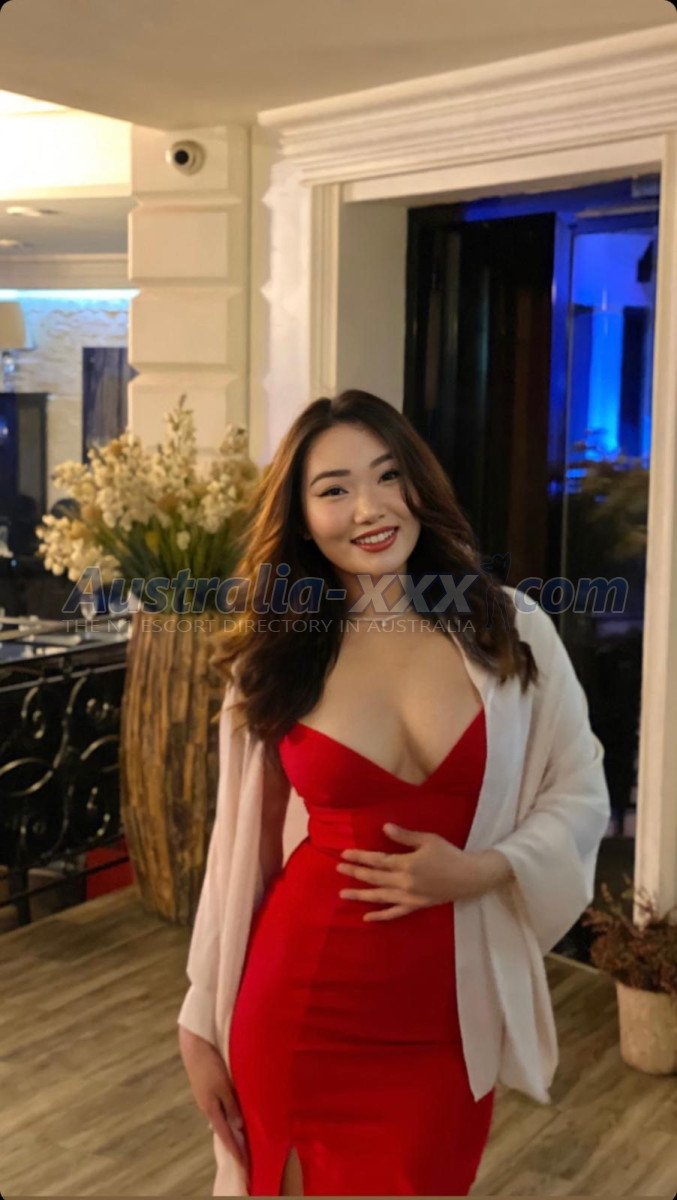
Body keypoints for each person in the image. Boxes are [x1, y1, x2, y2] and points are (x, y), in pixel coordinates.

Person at [178, 389, 611, 1197]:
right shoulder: (275, 656)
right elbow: (237, 856)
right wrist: (201, 1019)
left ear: (419, 484)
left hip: (445, 1020)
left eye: (387, 476)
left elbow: (580, 791)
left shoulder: (510, 629)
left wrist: (482, 869)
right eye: (333, 489)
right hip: (301, 1006)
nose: (369, 508)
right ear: (302, 520)